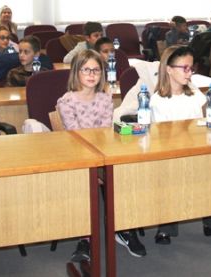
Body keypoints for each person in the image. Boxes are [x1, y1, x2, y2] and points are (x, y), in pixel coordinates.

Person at [56, 50, 147, 261]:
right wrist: (95, 166)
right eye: (86, 70)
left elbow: (104, 133)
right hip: (78, 157)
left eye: (96, 70)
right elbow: (76, 136)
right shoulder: (66, 101)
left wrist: (101, 163)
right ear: (76, 72)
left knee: (124, 176)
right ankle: (85, 240)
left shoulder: (105, 99)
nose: (91, 74)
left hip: (102, 154)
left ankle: (124, 229)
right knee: (85, 186)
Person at [151, 46, 211, 244]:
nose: (189, 73)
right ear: (169, 69)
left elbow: (203, 118)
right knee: (173, 179)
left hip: (196, 148)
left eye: (191, 68)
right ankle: (166, 227)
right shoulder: (158, 100)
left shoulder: (194, 93)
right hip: (169, 153)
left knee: (210, 172)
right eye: (184, 68)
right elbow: (164, 137)